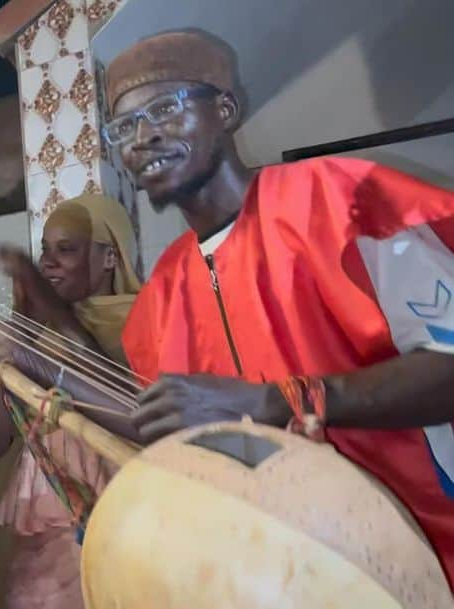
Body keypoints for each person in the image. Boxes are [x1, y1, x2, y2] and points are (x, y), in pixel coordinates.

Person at [98, 30, 454, 586]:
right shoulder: (160, 296)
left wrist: (283, 400)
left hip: (418, 557)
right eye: (123, 127)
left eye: (164, 109)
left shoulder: (344, 203)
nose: (141, 138)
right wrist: (24, 369)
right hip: (276, 579)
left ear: (225, 109)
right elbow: (168, 432)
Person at [0, 193, 143, 608]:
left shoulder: (147, 319)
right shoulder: (31, 338)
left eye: (66, 250)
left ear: (111, 258)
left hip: (126, 520)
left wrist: (34, 347)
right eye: (44, 250)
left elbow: (139, 412)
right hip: (40, 523)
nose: (49, 262)